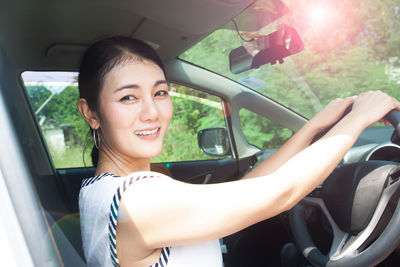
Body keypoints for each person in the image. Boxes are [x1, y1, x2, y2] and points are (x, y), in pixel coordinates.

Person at [77, 36, 400, 267]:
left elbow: (247, 191)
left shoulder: (101, 190)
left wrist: (315, 126)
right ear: (90, 113)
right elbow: (280, 193)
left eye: (159, 92)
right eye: (128, 98)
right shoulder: (137, 201)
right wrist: (360, 117)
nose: (152, 112)